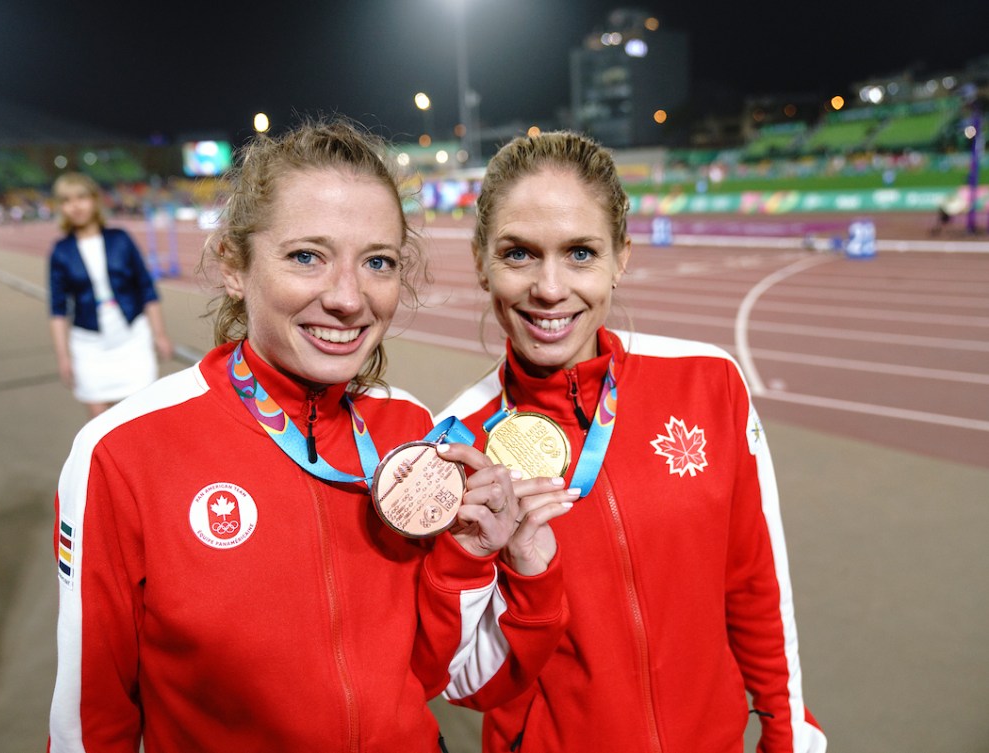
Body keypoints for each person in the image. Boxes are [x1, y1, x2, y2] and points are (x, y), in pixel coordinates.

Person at [48, 119, 573, 752]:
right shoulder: (123, 453)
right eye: (307, 256)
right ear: (234, 264)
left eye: (377, 262)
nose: (349, 298)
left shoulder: (411, 433)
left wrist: (475, 559)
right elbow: (92, 720)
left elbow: (435, 677)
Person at [438, 131, 827, 752]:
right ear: (482, 260)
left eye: (581, 253)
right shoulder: (457, 446)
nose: (549, 287)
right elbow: (464, 684)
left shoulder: (707, 382)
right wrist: (521, 573)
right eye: (519, 254)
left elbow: (754, 583)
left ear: (622, 256)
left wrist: (787, 736)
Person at [48, 172, 173, 420]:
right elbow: (58, 309)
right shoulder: (61, 252)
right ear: (61, 207)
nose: (75, 206)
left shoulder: (120, 239)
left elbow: (146, 288)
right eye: (67, 200)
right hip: (89, 343)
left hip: (132, 335)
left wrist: (160, 335)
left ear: (94, 200)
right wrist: (63, 357)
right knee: (101, 426)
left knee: (143, 418)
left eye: (81, 197)